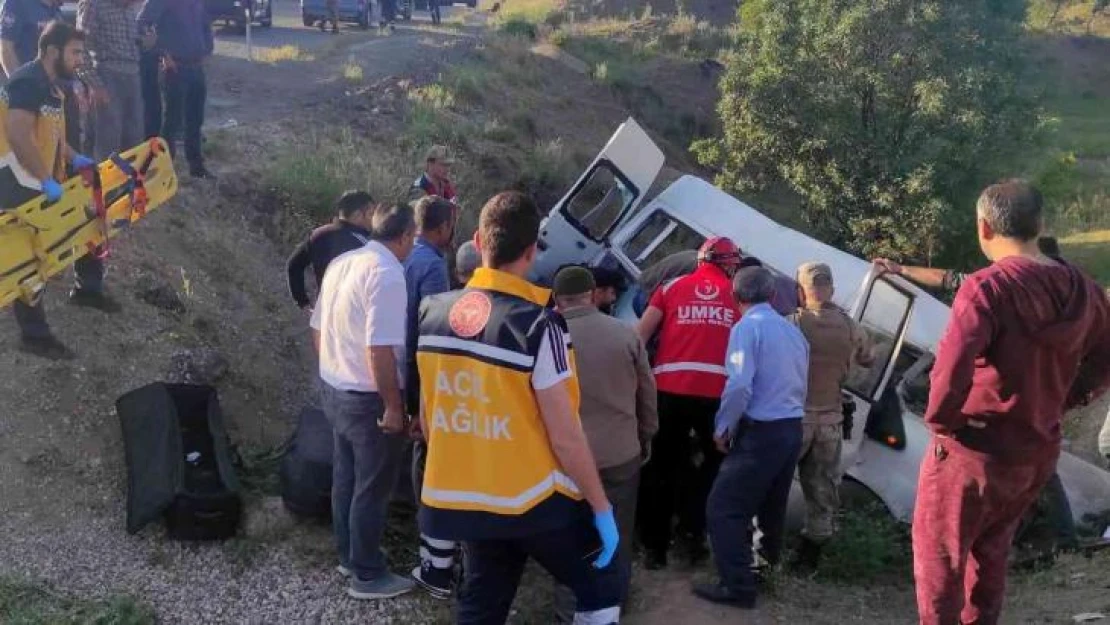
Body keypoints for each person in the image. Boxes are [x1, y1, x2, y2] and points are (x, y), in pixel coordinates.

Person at [415, 191, 627, 624]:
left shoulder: (431, 313)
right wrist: (602, 509)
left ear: (477, 240)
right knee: (602, 585)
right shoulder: (538, 325)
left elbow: (429, 417)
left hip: (467, 496)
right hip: (533, 502)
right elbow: (566, 438)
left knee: (483, 600)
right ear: (532, 252)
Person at [912, 180, 1110, 625]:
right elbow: (1106, 357)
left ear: (983, 228)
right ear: (1040, 225)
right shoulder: (1084, 290)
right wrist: (1067, 399)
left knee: (939, 560)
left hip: (974, 450)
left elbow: (951, 368)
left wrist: (943, 423)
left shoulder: (986, 289)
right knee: (992, 554)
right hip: (1034, 450)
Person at [309, 202, 418, 600]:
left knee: (346, 478)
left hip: (335, 387)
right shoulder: (387, 273)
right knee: (372, 487)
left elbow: (317, 326)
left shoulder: (344, 261)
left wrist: (331, 369)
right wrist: (393, 405)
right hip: (367, 397)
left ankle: (350, 555)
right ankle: (368, 575)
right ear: (405, 236)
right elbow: (380, 348)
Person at [693, 266, 808, 609]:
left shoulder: (746, 329)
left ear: (735, 297)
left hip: (763, 430)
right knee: (770, 506)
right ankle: (763, 573)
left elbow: (740, 384)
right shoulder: (793, 333)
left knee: (723, 507)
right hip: (791, 427)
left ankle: (738, 587)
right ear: (773, 296)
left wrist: (723, 427)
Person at [1, 21, 115, 360]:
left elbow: (50, 133)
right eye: (76, 52)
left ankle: (88, 289)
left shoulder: (53, 86)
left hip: (35, 176)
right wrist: (45, 181)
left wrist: (72, 157)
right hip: (13, 181)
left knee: (82, 220)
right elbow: (19, 135)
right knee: (28, 257)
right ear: (53, 51)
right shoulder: (27, 82)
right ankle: (34, 335)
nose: (81, 59)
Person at [550, 264, 657, 624]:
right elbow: (646, 393)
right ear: (593, 292)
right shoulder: (625, 335)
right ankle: (612, 604)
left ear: (556, 298)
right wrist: (646, 434)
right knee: (616, 531)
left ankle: (569, 609)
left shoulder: (546, 336)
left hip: (563, 460)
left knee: (567, 536)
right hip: (619, 455)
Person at [635, 236, 742, 570]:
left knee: (660, 466)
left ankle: (654, 548)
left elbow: (639, 336)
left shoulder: (670, 288)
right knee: (711, 469)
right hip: (715, 394)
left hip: (669, 389)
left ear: (700, 259)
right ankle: (692, 539)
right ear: (729, 263)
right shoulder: (738, 297)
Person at [787, 262, 873, 571]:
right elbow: (869, 359)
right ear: (832, 289)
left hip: (793, 420)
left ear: (801, 291)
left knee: (771, 481)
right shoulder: (852, 327)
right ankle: (809, 557)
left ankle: (759, 547)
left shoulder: (793, 323)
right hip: (830, 423)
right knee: (821, 489)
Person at [402, 195, 458, 599]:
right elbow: (432, 330)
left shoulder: (400, 255)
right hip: (421, 374)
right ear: (441, 228)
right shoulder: (434, 266)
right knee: (431, 459)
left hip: (396, 365)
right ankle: (437, 556)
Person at [137, 0, 214, 179]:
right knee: (172, 120)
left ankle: (196, 167)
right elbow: (142, 24)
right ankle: (165, 170)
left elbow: (206, 25)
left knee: (195, 120)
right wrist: (162, 53)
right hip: (174, 68)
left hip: (196, 66)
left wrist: (208, 49)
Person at [77, 0, 150, 160]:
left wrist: (145, 41)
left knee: (134, 135)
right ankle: (104, 182)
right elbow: (81, 47)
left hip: (133, 74)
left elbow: (129, 41)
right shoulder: (93, 5)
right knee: (107, 139)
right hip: (107, 75)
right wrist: (95, 85)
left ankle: (130, 181)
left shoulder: (130, 9)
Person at [285, 190, 374, 312]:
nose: (373, 220)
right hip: (354, 318)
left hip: (325, 315)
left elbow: (294, 265)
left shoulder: (319, 235)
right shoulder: (364, 244)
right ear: (358, 215)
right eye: (370, 214)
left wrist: (303, 303)